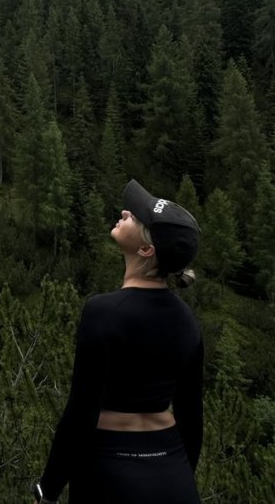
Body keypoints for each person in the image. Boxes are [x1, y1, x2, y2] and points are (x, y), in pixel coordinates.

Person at [33, 179, 203, 504]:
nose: (125, 211)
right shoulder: (188, 323)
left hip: (108, 474)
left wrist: (48, 489)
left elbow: (81, 413)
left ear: (146, 249)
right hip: (174, 476)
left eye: (134, 216)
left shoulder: (102, 312)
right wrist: (179, 477)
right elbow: (192, 419)